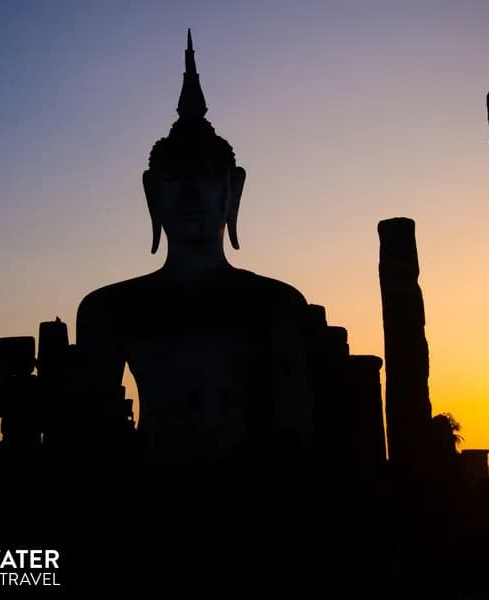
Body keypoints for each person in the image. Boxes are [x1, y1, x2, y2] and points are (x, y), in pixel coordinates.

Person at [76, 31, 313, 474]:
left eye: (204, 176)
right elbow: (94, 447)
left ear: (232, 189)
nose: (188, 196)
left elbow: (294, 442)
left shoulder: (276, 306)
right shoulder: (109, 310)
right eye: (172, 179)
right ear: (150, 193)